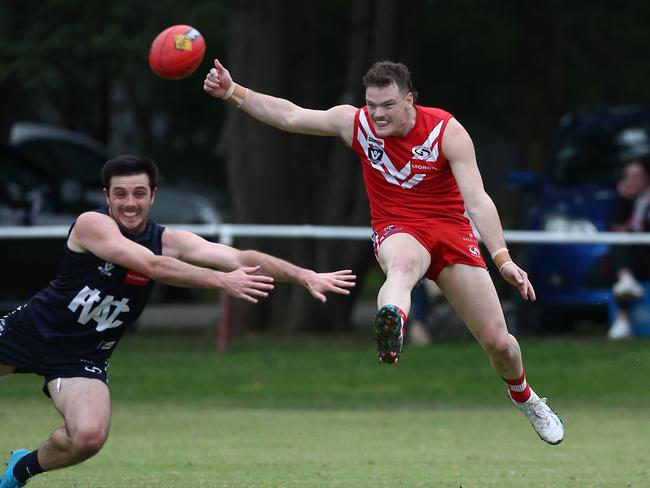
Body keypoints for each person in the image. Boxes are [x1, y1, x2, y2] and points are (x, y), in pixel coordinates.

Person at [203, 59, 564, 445]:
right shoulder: (354, 123)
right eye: (372, 104)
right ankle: (391, 321)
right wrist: (233, 92)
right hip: (398, 228)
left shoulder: (446, 131)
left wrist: (503, 259)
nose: (377, 114)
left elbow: (477, 201)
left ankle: (524, 396)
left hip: (451, 230)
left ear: (409, 100)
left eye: (387, 105)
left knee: (499, 343)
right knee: (402, 267)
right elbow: (290, 116)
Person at [0, 155, 356, 487]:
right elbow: (151, 265)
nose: (129, 203)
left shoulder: (169, 240)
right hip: (29, 332)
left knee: (89, 436)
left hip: (81, 357)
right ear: (105, 195)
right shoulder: (92, 224)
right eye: (120, 194)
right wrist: (219, 281)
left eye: (139, 193)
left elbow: (240, 257)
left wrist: (304, 275)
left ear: (153, 195)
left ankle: (21, 468)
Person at [606, 156, 650, 339]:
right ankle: (622, 321)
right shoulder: (629, 199)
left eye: (636, 176)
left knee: (622, 246)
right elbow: (616, 227)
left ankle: (622, 318)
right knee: (619, 245)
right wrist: (624, 199)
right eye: (628, 176)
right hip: (637, 258)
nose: (631, 181)